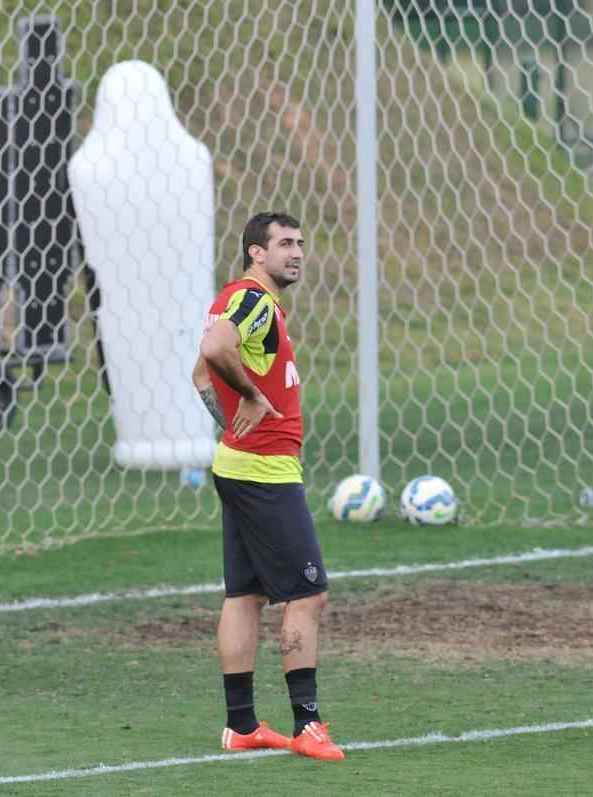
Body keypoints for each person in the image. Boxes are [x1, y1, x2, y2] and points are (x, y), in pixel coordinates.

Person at [191, 212, 344, 762]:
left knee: (245, 596)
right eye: (284, 244)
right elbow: (214, 352)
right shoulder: (253, 302)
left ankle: (241, 726)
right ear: (257, 253)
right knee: (307, 594)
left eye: (301, 242)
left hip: (236, 463)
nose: (297, 252)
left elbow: (202, 375)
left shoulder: (241, 299)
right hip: (264, 471)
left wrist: (230, 418)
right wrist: (253, 402)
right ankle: (308, 724)